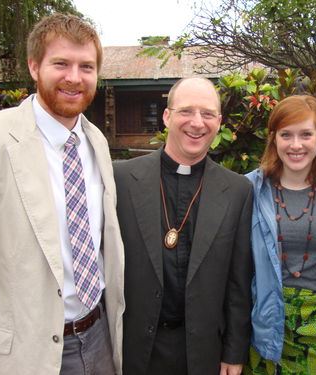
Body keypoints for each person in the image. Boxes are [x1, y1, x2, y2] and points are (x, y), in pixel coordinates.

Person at [0, 13, 125, 375]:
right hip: (23, 356)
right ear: (34, 66)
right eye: (60, 63)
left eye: (86, 66)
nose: (74, 78)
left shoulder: (96, 142)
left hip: (99, 341)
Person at [113, 77, 253, 375]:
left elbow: (238, 283)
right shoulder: (121, 180)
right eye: (186, 111)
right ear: (167, 116)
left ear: (219, 122)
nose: (197, 123)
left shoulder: (238, 190)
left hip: (202, 352)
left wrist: (234, 351)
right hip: (134, 349)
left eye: (208, 114)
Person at [245, 95, 316, 374]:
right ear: (274, 139)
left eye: (306, 134)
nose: (296, 145)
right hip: (264, 327)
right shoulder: (249, 191)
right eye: (286, 135)